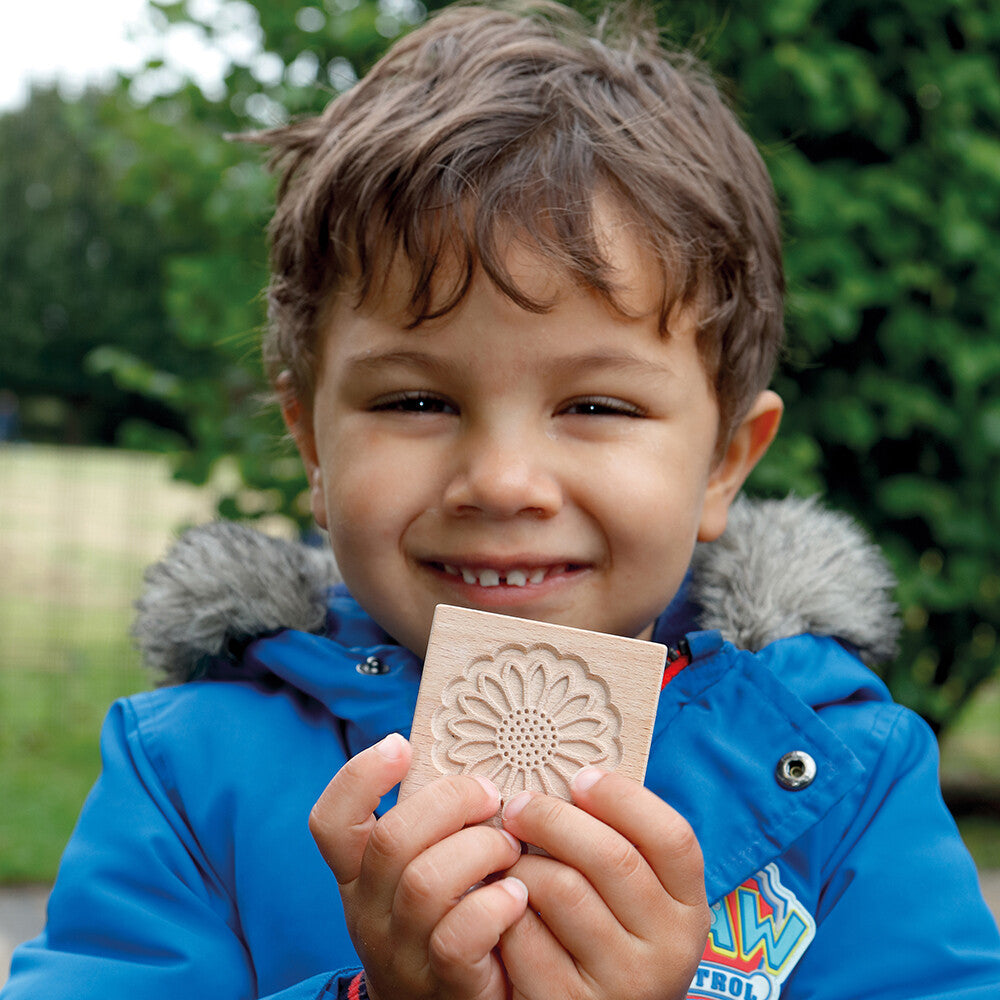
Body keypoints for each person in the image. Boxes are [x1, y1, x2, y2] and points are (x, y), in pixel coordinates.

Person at [5, 3, 999, 998]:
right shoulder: (187, 775)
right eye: (418, 400)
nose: (503, 481)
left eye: (596, 404)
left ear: (723, 464)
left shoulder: (844, 774)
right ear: (311, 440)